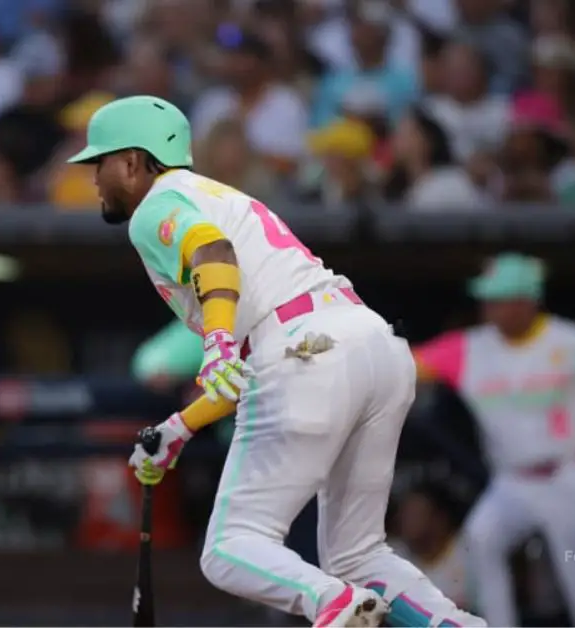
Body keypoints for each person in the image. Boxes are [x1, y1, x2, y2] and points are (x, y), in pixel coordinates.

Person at [66, 94, 484, 628]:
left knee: (230, 548)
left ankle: (333, 605)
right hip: (370, 343)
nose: (93, 177)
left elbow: (213, 253)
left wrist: (215, 340)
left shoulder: (156, 205)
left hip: (303, 349)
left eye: (98, 162)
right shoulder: (215, 194)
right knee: (357, 557)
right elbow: (250, 366)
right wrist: (180, 427)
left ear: (131, 161)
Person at [414, 252, 575, 626]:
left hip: (569, 476)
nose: (490, 309)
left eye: (500, 301)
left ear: (526, 302)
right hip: (513, 482)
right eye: (487, 300)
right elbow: (412, 364)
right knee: (482, 538)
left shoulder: (568, 341)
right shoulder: (471, 347)